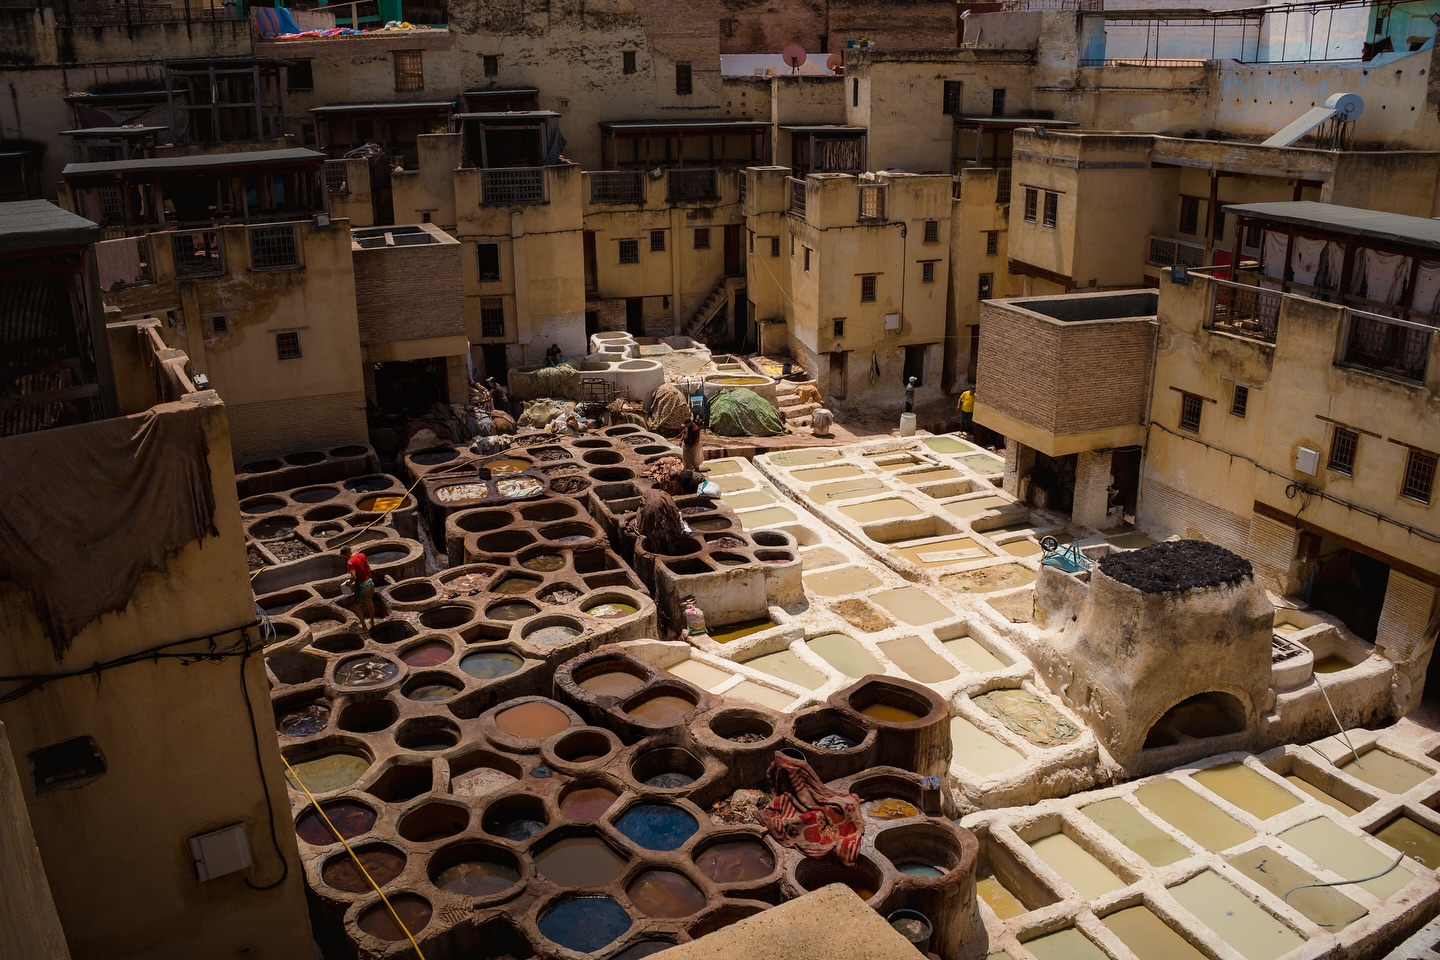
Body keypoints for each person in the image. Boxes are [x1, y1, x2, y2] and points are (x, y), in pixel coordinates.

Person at [340, 546, 375, 632]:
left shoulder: (350, 562)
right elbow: (369, 568)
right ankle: (372, 621)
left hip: (362, 586)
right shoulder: (362, 555)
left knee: (356, 608)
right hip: (370, 582)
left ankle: (364, 627)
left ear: (345, 554)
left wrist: (347, 584)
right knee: (369, 601)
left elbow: (354, 577)